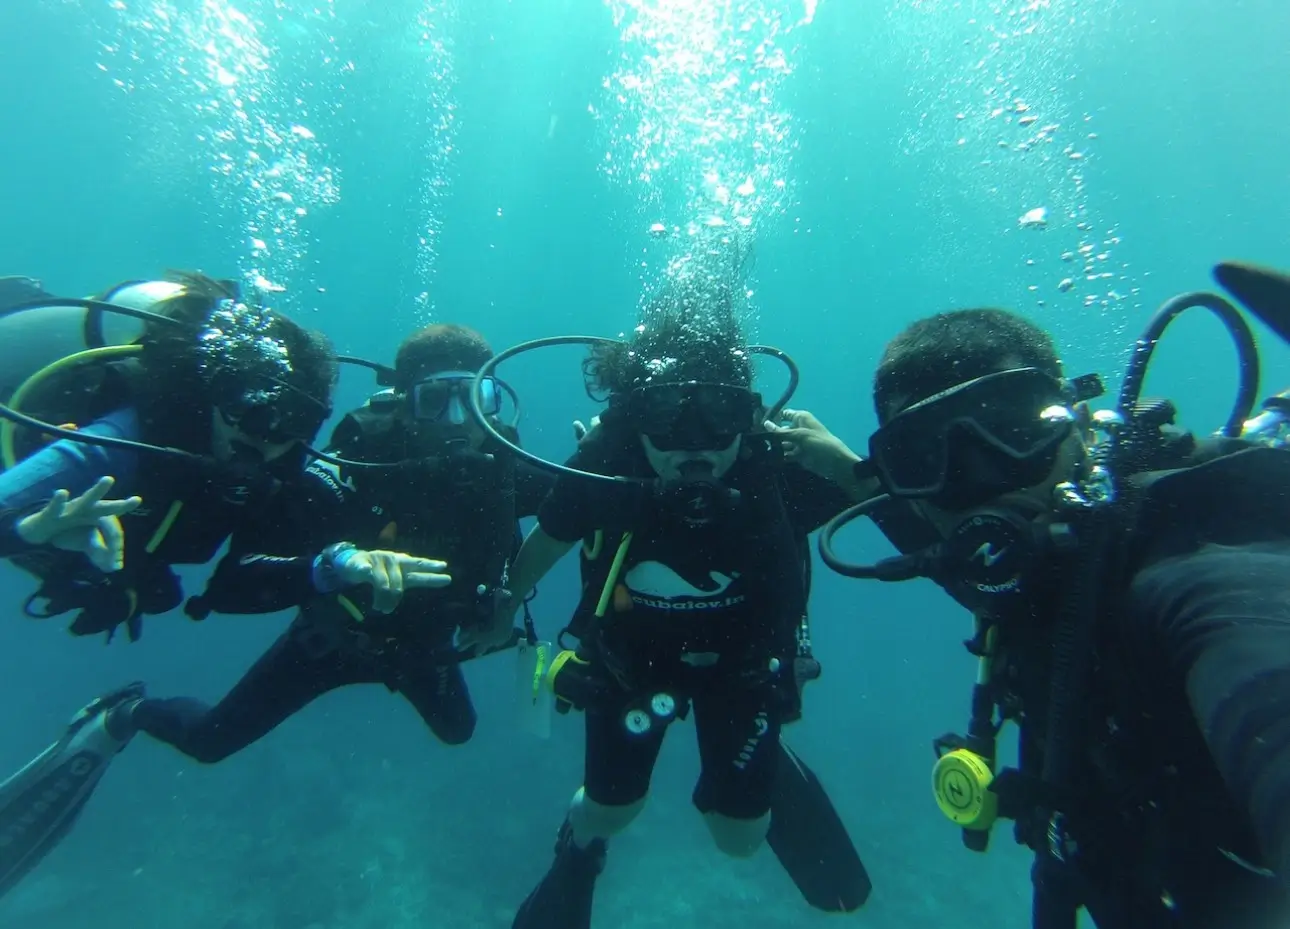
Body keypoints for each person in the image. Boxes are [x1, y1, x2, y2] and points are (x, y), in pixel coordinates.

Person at [793, 266, 1290, 928]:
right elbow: (968, 556)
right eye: (926, 459)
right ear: (899, 479)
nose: (979, 485)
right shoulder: (1034, 576)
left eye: (1014, 431)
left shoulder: (1198, 568)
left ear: (1079, 421)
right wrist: (841, 466)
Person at [490, 289, 870, 929]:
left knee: (739, 840)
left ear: (748, 417)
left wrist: (848, 466)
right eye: (667, 413)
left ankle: (760, 766)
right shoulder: (605, 471)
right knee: (611, 810)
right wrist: (500, 612)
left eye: (718, 413)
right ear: (634, 418)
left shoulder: (780, 472)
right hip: (630, 667)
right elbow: (545, 543)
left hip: (744, 671)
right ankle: (580, 853)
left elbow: (912, 514)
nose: (693, 442)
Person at [97, 322, 552, 763]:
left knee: (458, 731)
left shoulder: (504, 474)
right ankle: (128, 712)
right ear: (403, 404)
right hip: (330, 643)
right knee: (207, 743)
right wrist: (334, 566)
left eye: (476, 398)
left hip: (424, 649)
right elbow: (230, 584)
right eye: (433, 399)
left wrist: (603, 457)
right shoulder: (347, 472)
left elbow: (580, 509)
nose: (458, 420)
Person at [0, 271, 339, 643]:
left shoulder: (278, 477)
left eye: (292, 418)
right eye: (241, 402)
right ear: (215, 390)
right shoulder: (131, 433)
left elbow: (239, 578)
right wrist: (26, 529)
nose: (259, 433)